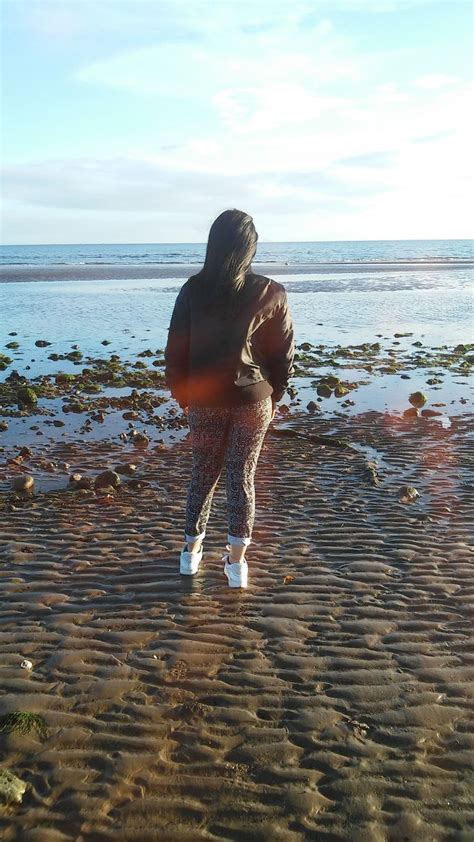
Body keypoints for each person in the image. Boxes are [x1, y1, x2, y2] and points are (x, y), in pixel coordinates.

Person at [164, 209, 295, 588]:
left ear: (213, 245)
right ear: (249, 248)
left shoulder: (193, 289)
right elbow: (283, 354)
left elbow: (175, 348)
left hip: (204, 399)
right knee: (242, 477)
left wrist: (183, 394)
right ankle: (236, 565)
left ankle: (190, 553)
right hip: (253, 399)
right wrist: (274, 396)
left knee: (202, 474)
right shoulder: (271, 292)